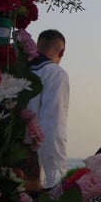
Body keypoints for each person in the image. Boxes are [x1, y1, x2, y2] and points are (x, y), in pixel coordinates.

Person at [28, 29, 70, 189]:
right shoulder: (55, 73)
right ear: (62, 51)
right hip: (33, 166)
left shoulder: (18, 70)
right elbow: (53, 126)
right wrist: (57, 180)